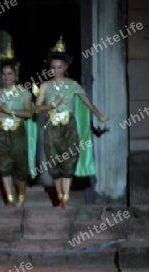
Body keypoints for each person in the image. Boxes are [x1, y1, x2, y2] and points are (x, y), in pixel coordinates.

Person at [35, 36, 110, 208]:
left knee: (69, 160)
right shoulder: (45, 86)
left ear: (66, 67)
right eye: (53, 67)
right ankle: (59, 196)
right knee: (54, 161)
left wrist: (100, 116)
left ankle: (65, 198)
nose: (56, 70)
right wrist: (52, 105)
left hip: (68, 126)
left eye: (59, 67)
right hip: (51, 126)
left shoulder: (73, 84)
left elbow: (87, 102)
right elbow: (37, 109)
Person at [0, 44, 35, 207]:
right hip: (1, 132)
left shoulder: (23, 92)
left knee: (20, 166)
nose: (7, 77)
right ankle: (10, 199)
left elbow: (29, 113)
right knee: (4, 165)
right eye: (4, 74)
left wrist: (10, 111)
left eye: (10, 74)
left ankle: (20, 198)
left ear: (15, 75)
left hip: (17, 131)